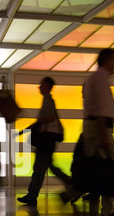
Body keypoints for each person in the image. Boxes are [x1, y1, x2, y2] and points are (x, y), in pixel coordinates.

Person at [82, 48, 114, 216]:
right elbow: (101, 109)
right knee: (110, 170)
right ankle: (107, 212)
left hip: (94, 127)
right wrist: (103, 134)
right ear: (106, 60)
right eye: (113, 60)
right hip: (99, 128)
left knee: (99, 169)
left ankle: (108, 210)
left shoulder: (94, 78)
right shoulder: (101, 78)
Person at [17, 77, 71, 206]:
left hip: (45, 142)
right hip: (47, 141)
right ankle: (70, 182)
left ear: (47, 86)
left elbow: (48, 118)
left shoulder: (48, 100)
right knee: (50, 167)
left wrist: (29, 129)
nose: (39, 87)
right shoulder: (47, 100)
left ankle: (32, 195)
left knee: (39, 169)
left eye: (41, 85)